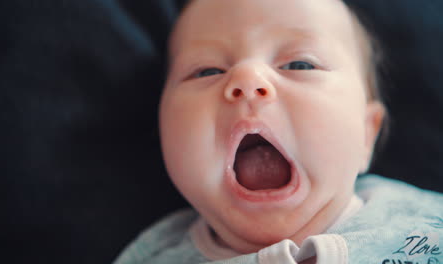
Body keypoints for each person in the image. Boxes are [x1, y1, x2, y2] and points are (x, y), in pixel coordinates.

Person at [114, 0, 443, 263]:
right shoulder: (154, 255)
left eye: (299, 65)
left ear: (366, 135)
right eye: (207, 71)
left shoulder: (426, 224)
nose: (247, 78)